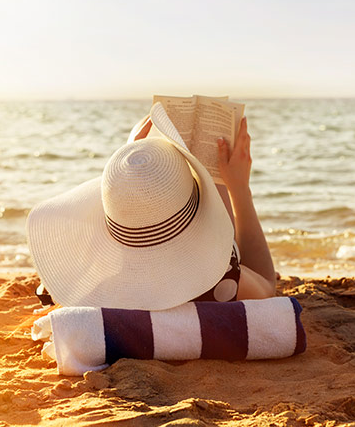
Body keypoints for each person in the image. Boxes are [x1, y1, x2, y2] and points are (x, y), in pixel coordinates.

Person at [27, 103, 275, 311]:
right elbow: (267, 288)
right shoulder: (222, 280)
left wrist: (131, 162)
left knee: (140, 179)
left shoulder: (95, 287)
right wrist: (239, 188)